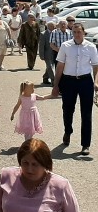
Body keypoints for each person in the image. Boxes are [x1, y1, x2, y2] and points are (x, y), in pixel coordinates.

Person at [0, 138, 80, 212]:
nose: (29, 169)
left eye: (35, 164)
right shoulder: (6, 176)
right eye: (25, 163)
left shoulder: (61, 186)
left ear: (45, 163)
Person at [52, 23, 98, 155]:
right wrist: (56, 86)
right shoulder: (65, 46)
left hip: (85, 81)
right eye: (74, 32)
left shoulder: (91, 47)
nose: (77, 34)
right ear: (72, 33)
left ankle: (85, 145)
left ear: (84, 32)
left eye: (79, 32)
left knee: (86, 113)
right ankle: (68, 131)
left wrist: (96, 82)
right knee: (67, 110)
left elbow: (96, 67)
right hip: (68, 81)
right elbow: (60, 66)